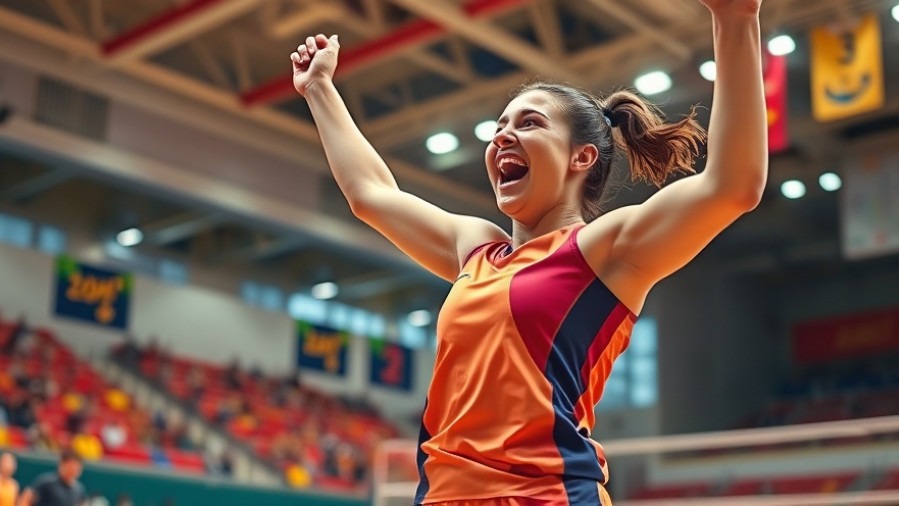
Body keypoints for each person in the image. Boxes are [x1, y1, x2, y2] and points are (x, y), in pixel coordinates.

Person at [290, 0, 767, 503]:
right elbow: (372, 195)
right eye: (499, 125)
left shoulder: (604, 252)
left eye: (530, 123)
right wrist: (319, 88)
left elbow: (733, 186)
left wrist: (735, 19)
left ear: (580, 158)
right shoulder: (475, 249)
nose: (502, 135)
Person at [18, 449, 86, 506]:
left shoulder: (79, 489)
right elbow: (26, 498)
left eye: (76, 468)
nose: (73, 471)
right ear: (62, 464)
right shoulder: (46, 482)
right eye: (71, 467)